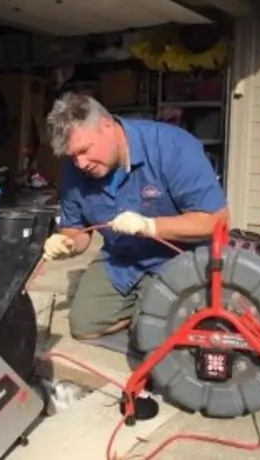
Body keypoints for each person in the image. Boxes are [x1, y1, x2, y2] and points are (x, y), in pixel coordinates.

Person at [43, 92, 229, 341]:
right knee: (83, 326)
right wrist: (67, 244)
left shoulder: (173, 146)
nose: (81, 163)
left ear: (107, 126)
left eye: (85, 150)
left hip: (179, 256)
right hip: (123, 258)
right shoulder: (73, 170)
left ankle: (154, 313)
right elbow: (76, 230)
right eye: (72, 156)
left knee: (150, 337)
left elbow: (216, 220)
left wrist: (149, 226)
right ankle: (142, 308)